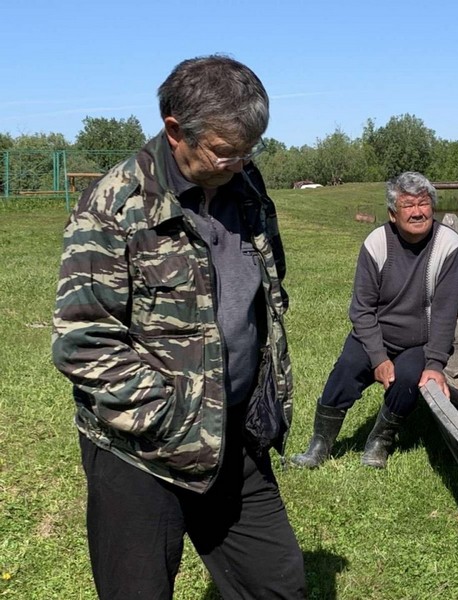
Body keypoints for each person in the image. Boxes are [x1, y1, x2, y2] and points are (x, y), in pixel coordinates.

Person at [51, 55, 305, 599]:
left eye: (248, 151)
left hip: (234, 435)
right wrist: (171, 417)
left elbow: (266, 290)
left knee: (278, 586)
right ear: (174, 131)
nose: (239, 164)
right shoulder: (114, 205)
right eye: (225, 151)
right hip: (140, 451)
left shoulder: (246, 187)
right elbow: (82, 341)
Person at [291, 171, 458, 470]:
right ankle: (319, 445)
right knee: (345, 370)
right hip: (376, 334)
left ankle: (379, 442)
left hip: (418, 341)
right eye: (408, 206)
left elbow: (445, 312)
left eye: (424, 204)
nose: (418, 212)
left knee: (408, 378)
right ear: (392, 214)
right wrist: (378, 358)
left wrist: (435, 364)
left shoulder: (449, 246)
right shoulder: (376, 243)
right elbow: (361, 309)